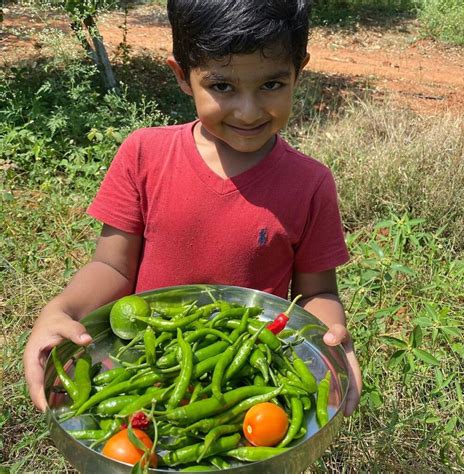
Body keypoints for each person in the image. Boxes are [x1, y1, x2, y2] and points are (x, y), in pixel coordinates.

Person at [24, 0, 362, 416]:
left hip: (247, 382)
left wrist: (329, 339)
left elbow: (317, 293)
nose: (249, 110)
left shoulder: (310, 183)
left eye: (272, 85)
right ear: (182, 76)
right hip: (146, 372)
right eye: (222, 87)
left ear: (298, 70)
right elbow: (111, 267)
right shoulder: (144, 154)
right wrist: (59, 311)